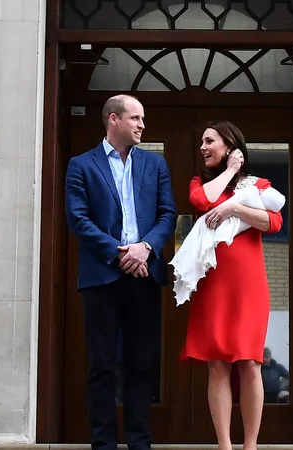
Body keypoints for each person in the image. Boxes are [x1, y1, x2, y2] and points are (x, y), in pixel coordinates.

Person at [65, 94, 177, 450]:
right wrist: (120, 253)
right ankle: (103, 444)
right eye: (136, 118)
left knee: (140, 364)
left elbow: (167, 214)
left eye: (142, 119)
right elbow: (78, 219)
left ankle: (139, 443)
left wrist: (145, 248)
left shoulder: (154, 165)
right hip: (103, 276)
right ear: (113, 120)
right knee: (102, 366)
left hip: (145, 277)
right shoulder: (81, 165)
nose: (142, 125)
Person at [180, 120, 283, 450]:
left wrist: (236, 207)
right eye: (202, 141)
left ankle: (250, 445)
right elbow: (203, 202)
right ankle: (225, 445)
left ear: (228, 144)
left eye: (209, 140)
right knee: (217, 363)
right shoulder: (201, 182)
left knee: (250, 362)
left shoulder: (257, 186)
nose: (203, 147)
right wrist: (230, 171)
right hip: (212, 284)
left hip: (248, 285)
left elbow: (274, 222)